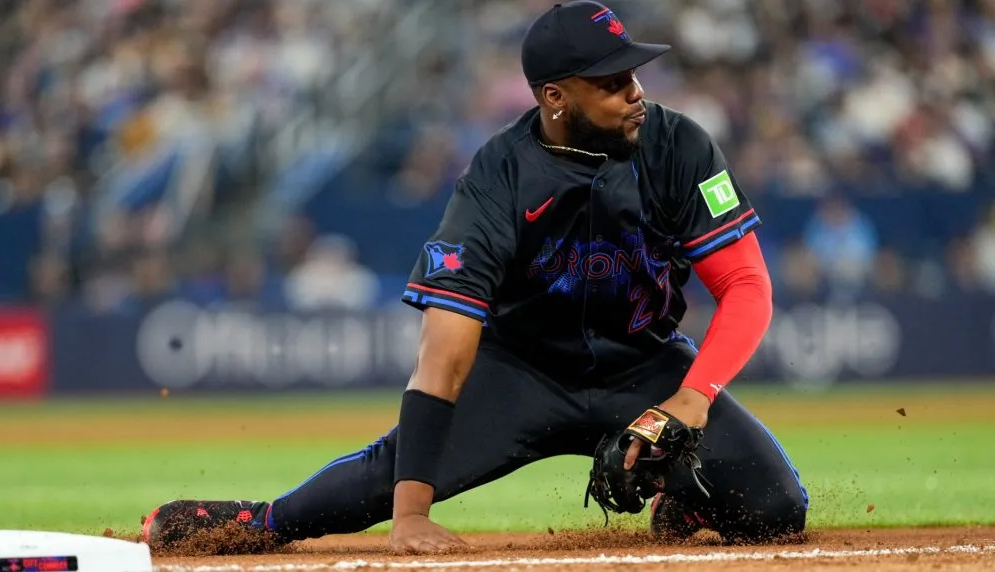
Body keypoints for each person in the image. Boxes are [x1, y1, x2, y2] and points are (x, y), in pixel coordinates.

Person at [142, 1, 808, 555]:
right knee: (377, 483)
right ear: (554, 97)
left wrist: (689, 400)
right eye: (610, 83)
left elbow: (746, 285)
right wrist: (409, 516)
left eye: (633, 75)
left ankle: (681, 510)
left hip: (644, 367)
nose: (634, 92)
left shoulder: (678, 145)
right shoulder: (498, 178)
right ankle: (249, 521)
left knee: (778, 508)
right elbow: (445, 349)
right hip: (520, 374)